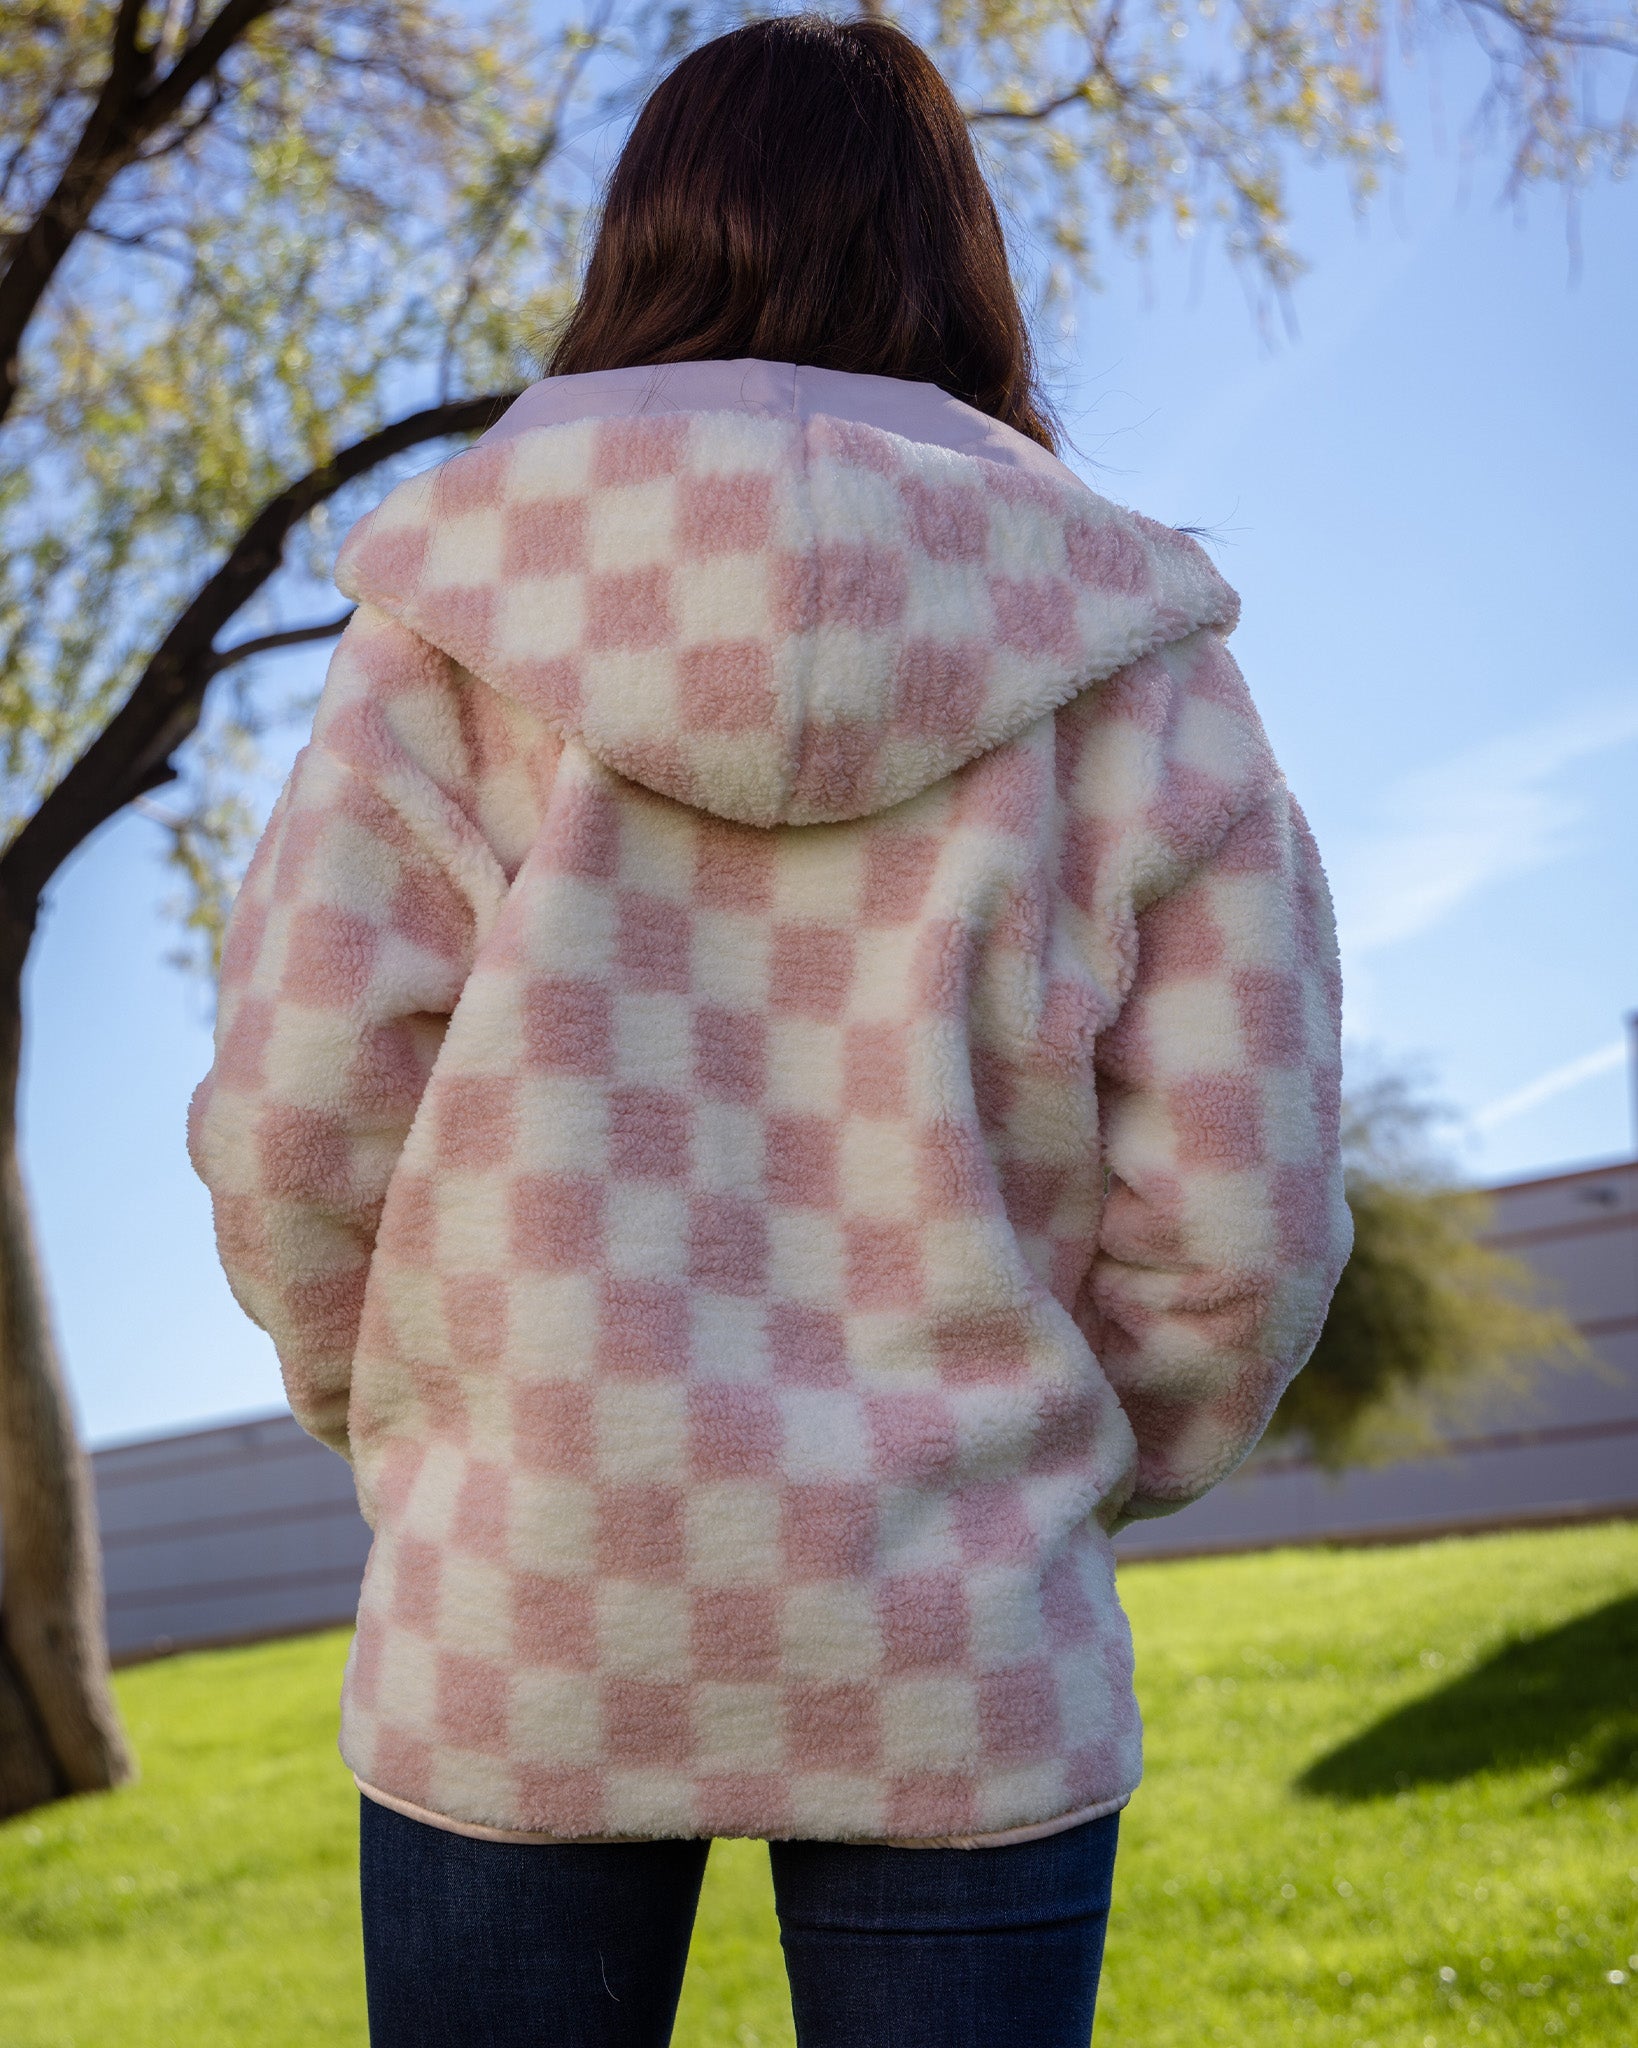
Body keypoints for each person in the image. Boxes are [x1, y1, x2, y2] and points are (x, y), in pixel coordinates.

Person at [189, 14, 1351, 2046]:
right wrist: (1073, 1470)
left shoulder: (450, 626)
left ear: (644, 239)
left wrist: (428, 1425)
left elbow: (299, 1112)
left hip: (523, 1592)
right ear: (957, 258)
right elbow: (1241, 1199)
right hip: (964, 1623)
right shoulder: (1132, 659)